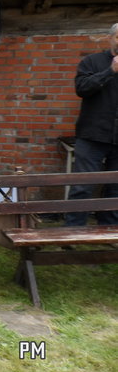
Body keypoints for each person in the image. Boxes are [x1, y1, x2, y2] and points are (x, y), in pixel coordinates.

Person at [65, 23, 118, 226]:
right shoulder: (92, 62)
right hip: (92, 135)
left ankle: (109, 232)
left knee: (115, 189)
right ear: (110, 38)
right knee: (83, 186)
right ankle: (73, 231)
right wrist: (110, 71)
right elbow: (82, 88)